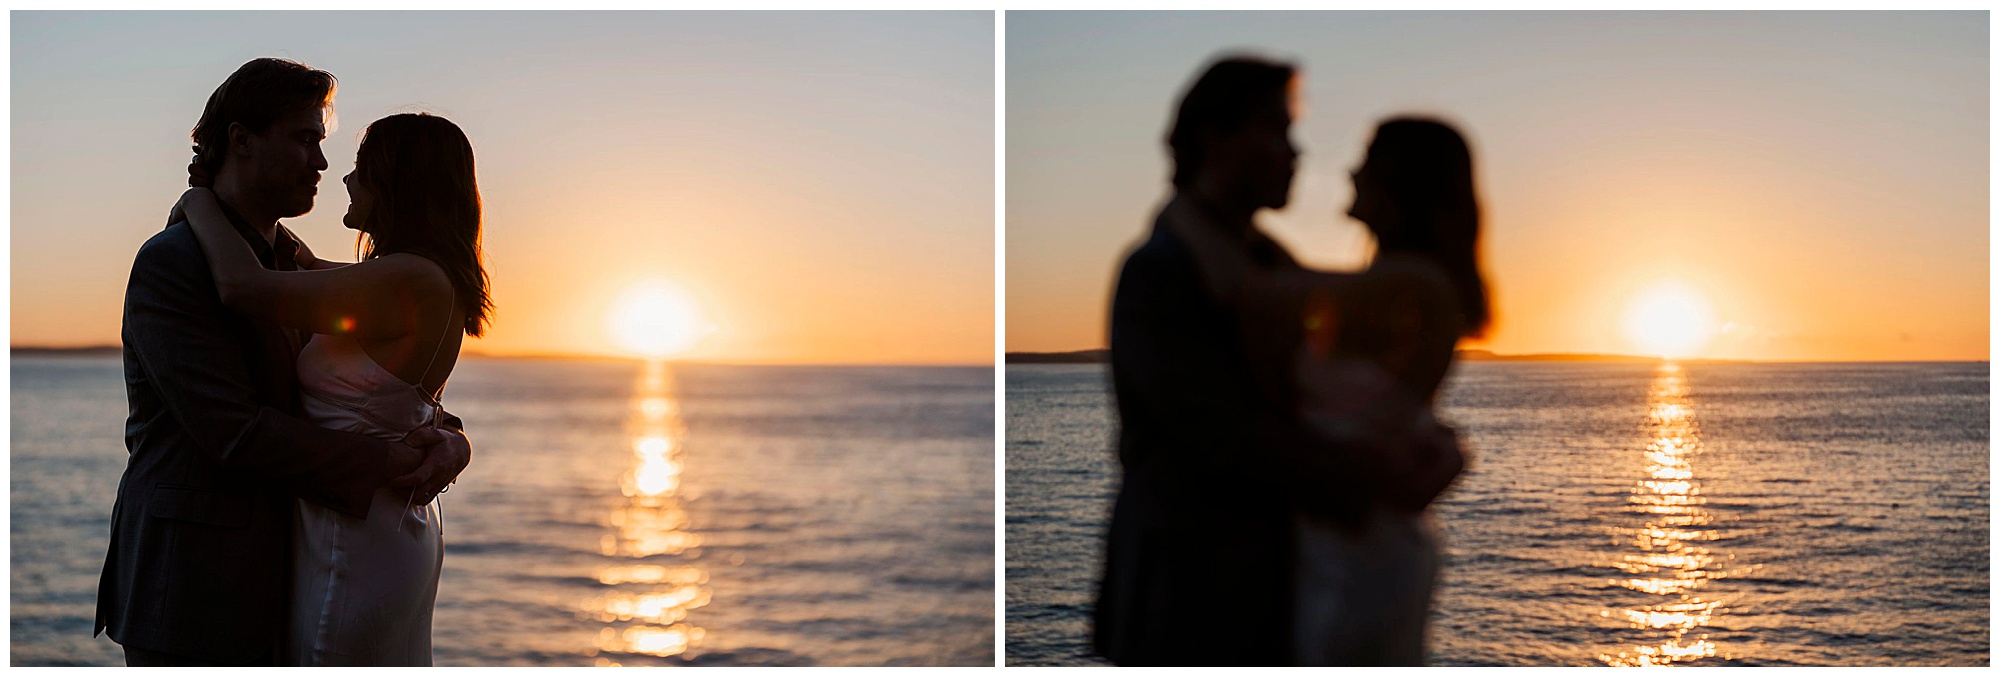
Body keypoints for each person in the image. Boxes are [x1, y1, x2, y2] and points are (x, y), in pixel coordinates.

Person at [94, 58, 473, 667]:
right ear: (242, 141)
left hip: (299, 570)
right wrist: (390, 458)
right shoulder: (174, 263)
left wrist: (447, 434)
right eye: (305, 141)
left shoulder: (287, 271)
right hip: (197, 585)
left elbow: (361, 381)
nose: (322, 164)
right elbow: (234, 432)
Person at [1092, 55, 1465, 666]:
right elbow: (1222, 437)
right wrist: (1377, 479)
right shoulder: (1159, 271)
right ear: (1217, 139)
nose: (1297, 152)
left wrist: (1428, 441)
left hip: (1272, 599)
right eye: (1278, 130)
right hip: (1189, 609)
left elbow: (1336, 390)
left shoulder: (1268, 264)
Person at [1173, 116, 1487, 665]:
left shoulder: (1414, 284)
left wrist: (1190, 203)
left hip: (1364, 544)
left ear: (1399, 182)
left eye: (1367, 158)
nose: (1352, 169)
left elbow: (1248, 293)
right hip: (1345, 536)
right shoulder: (1390, 286)